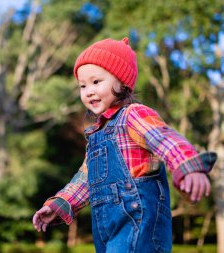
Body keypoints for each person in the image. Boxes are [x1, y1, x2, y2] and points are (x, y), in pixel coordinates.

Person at [32, 37, 217, 253]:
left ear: (122, 83)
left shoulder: (134, 115)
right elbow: (84, 180)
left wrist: (188, 167)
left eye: (96, 82)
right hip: (107, 229)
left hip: (139, 224)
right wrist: (61, 204)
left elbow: (165, 139)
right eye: (83, 85)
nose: (88, 91)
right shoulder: (95, 135)